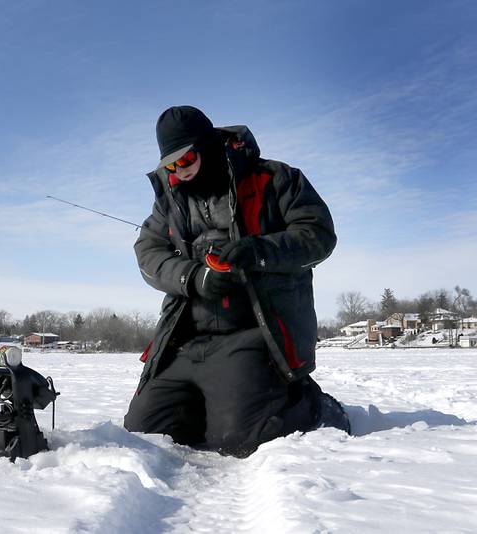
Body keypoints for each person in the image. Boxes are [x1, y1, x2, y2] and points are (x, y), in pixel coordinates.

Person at [123, 105, 349, 457]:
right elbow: (148, 253)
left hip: (251, 334)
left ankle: (312, 404)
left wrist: (258, 252)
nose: (178, 172)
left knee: (240, 440)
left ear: (208, 145)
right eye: (170, 165)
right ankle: (214, 406)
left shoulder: (276, 179)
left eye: (185, 160)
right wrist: (193, 276)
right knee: (143, 433)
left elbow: (319, 236)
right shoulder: (168, 203)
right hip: (185, 339)